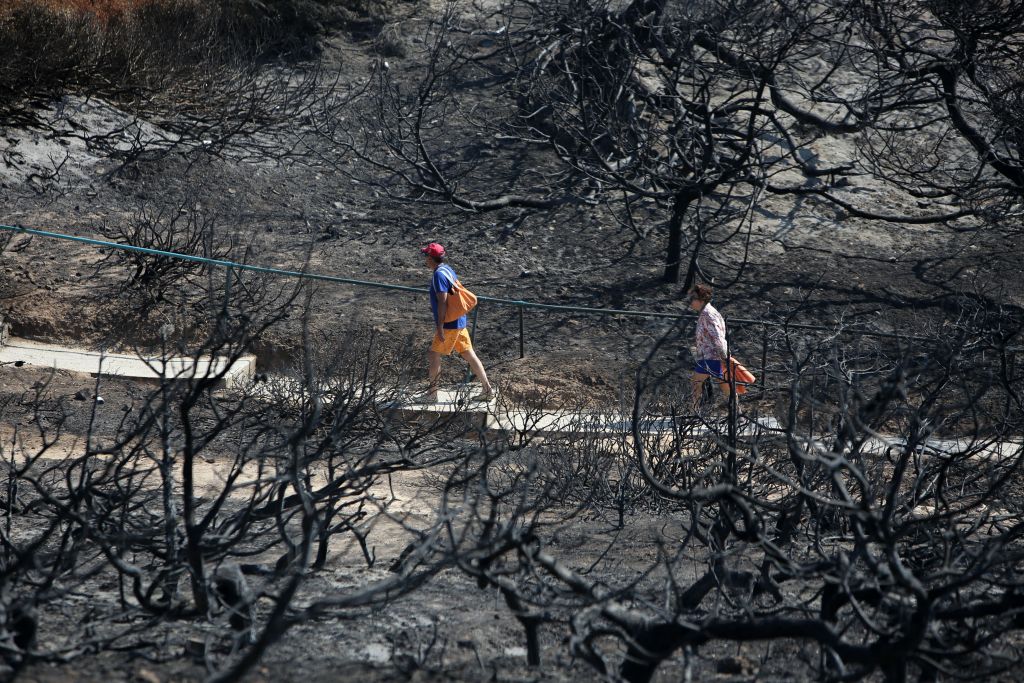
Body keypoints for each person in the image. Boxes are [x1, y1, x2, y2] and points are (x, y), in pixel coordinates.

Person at [419, 242, 493, 402]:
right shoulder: (447, 269)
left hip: (449, 324)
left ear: (431, 258)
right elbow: (453, 293)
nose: (425, 259)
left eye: (426, 256)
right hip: (459, 320)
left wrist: (440, 325)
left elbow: (443, 301)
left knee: (433, 354)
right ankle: (487, 389)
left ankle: (432, 395)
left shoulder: (438, 275)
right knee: (469, 354)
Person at [688, 283, 730, 409]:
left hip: (712, 356)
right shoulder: (707, 313)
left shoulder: (708, 314)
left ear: (701, 300)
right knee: (726, 386)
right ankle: (738, 414)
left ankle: (694, 413)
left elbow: (717, 337)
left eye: (692, 299)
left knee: (696, 382)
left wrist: (723, 357)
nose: (690, 302)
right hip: (711, 356)